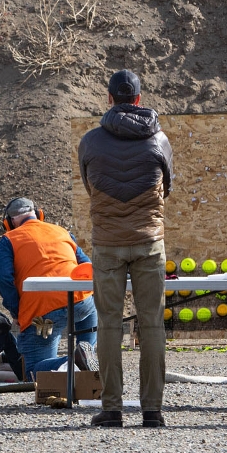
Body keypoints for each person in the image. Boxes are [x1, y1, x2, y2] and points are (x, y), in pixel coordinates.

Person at [77, 69, 173, 428]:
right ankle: (153, 411)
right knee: (151, 326)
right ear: (138, 98)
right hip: (149, 242)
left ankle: (112, 408)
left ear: (109, 99)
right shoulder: (159, 140)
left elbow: (90, 186)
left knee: (108, 325)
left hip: (108, 244)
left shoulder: (90, 141)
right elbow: (168, 188)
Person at [0, 198, 97, 379]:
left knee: (32, 370)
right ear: (39, 214)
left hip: (41, 312)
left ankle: (75, 361)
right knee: (90, 307)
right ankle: (87, 359)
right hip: (81, 301)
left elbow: (2, 278)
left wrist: (17, 311)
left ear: (8, 223)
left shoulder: (9, 239)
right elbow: (87, 264)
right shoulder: (61, 232)